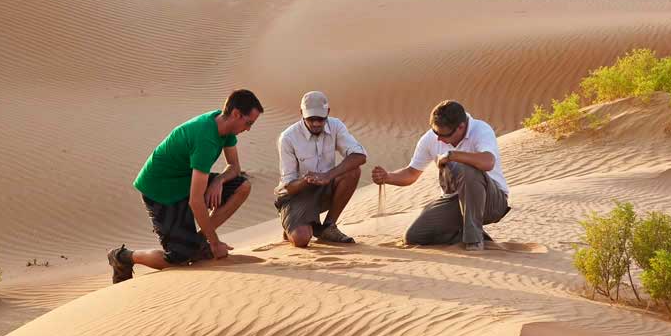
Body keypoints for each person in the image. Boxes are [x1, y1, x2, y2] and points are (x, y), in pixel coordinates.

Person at [107, 89, 263, 283]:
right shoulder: (205, 138)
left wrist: (218, 180)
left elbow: (234, 167)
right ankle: (123, 256)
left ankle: (197, 242)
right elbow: (196, 201)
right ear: (236, 114)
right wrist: (214, 242)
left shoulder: (225, 127)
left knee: (242, 186)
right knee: (180, 258)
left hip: (186, 181)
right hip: (160, 190)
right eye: (248, 123)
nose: (248, 129)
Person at [371, 100, 509, 251]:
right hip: (455, 200)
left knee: (466, 169)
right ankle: (466, 233)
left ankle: (473, 241)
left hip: (491, 201)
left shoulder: (481, 130)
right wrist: (388, 177)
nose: (438, 139)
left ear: (461, 127)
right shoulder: (431, 138)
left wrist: (452, 156)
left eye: (443, 135)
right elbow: (411, 172)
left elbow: (488, 162)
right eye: (435, 132)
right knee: (414, 236)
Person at [275, 91, 367, 247]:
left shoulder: (336, 125)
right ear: (301, 114)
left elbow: (360, 156)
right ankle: (294, 223)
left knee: (353, 171)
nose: (316, 123)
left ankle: (328, 226)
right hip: (297, 194)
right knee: (301, 239)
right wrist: (306, 180)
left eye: (321, 119)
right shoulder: (288, 138)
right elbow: (288, 186)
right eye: (311, 119)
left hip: (325, 185)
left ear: (328, 113)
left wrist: (328, 176)